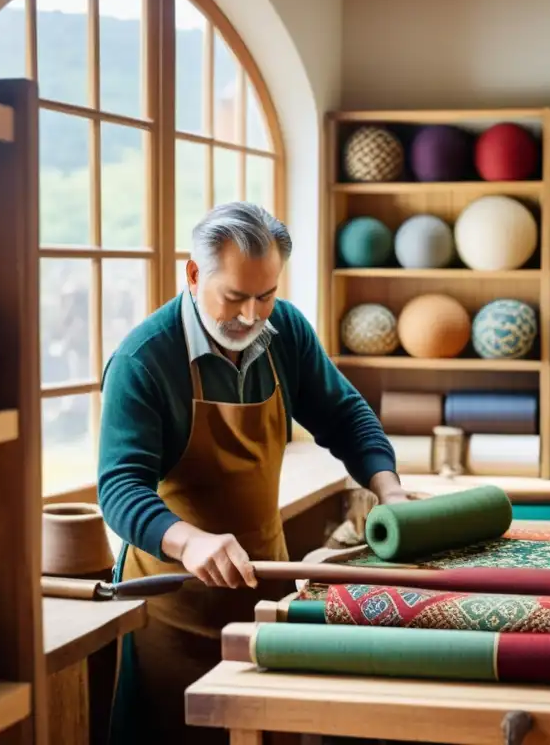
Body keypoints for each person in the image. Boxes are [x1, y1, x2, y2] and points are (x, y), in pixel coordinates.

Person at [98, 201, 405, 743]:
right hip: (171, 605)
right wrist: (189, 542)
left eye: (266, 295)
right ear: (194, 274)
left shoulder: (284, 330)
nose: (251, 316)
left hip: (266, 586)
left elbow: (345, 414)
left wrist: (390, 490)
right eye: (235, 297)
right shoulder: (144, 360)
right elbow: (119, 487)